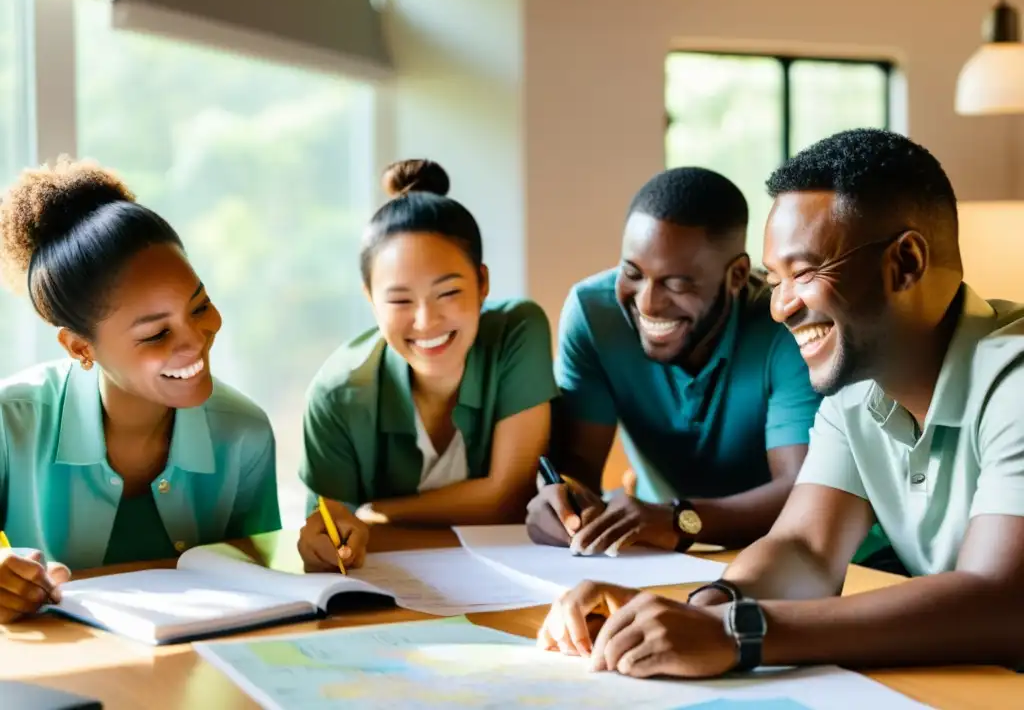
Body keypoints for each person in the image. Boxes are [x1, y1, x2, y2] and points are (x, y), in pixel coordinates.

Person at [537, 129, 1024, 677]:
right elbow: (804, 549)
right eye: (775, 279)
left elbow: (1001, 601)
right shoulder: (857, 389)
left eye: (805, 272)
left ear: (906, 263)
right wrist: (699, 611)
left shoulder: (1016, 379)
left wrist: (738, 633)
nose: (779, 307)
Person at [0, 158, 281, 623]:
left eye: (200, 306)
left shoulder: (245, 433)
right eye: (155, 334)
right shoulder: (12, 423)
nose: (195, 339)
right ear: (79, 346)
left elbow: (259, 574)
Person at [525, 167, 845, 559]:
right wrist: (562, 500)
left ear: (737, 275)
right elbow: (578, 466)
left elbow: (800, 489)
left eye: (676, 284)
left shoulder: (784, 325)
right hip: (652, 551)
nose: (647, 303)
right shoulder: (594, 314)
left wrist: (680, 520)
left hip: (777, 553)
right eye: (632, 273)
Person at [298, 159, 558, 572]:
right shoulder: (337, 394)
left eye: (448, 292)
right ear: (369, 297)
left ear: (483, 283)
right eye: (400, 300)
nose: (426, 321)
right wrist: (332, 539)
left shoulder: (517, 331)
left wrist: (376, 513)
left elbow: (509, 495)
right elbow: (330, 528)